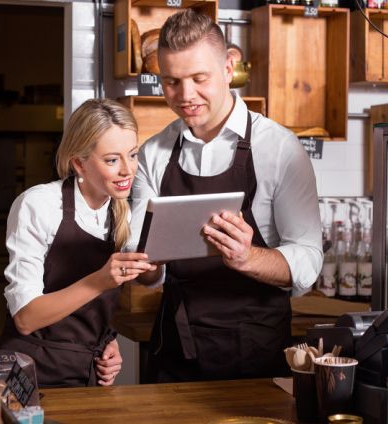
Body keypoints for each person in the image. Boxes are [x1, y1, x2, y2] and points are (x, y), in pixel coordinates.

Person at [131, 9, 323, 382]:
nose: (186, 96)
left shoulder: (280, 149)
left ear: (228, 67)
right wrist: (145, 267)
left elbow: (308, 263)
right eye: (171, 81)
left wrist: (248, 257)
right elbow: (149, 272)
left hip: (255, 356)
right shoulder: (153, 154)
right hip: (175, 351)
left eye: (199, 78)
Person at [0, 98, 157, 388]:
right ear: (79, 164)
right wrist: (99, 281)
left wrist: (108, 343)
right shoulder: (39, 204)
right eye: (112, 160)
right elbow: (25, 318)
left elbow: (89, 312)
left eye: (132, 155)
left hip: (87, 376)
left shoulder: (118, 210)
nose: (127, 170)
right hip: (31, 376)